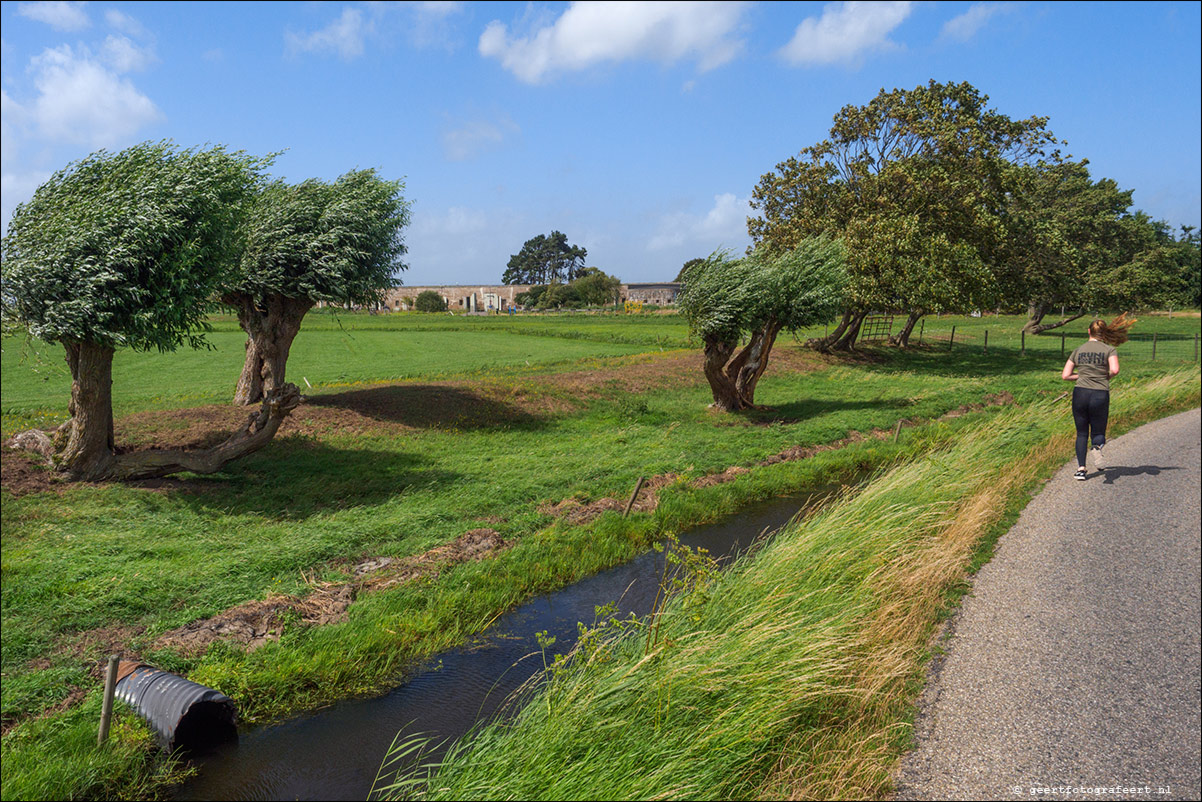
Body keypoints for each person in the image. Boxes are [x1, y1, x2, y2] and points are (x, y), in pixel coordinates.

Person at [1061, 314, 1135, 480]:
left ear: (1089, 332)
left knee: (1081, 433)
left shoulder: (1078, 350)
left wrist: (1080, 376)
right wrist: (1104, 376)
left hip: (1080, 392)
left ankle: (1081, 469)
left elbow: (1065, 375)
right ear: (1104, 333)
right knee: (1098, 430)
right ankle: (1096, 447)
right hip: (1099, 394)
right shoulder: (1109, 350)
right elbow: (1115, 370)